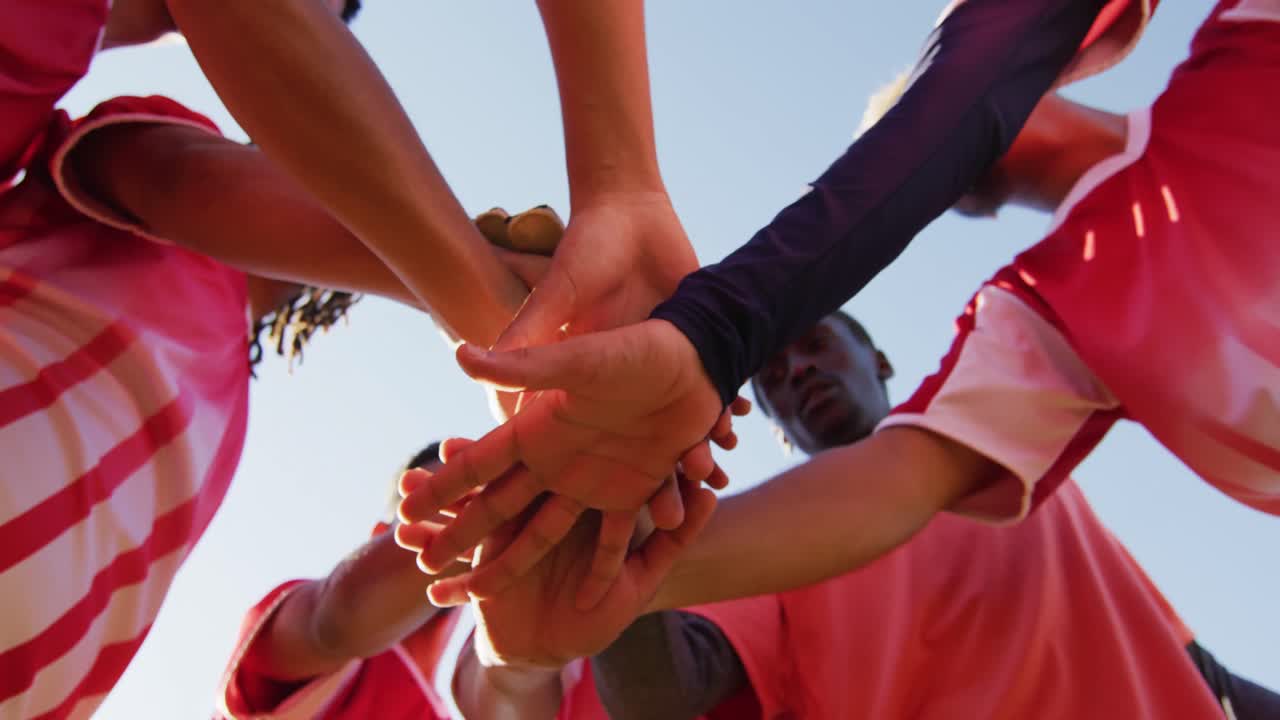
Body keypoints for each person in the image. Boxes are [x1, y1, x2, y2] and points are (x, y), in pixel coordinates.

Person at [400, 0, 1280, 613]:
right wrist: (617, 574)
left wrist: (716, 326)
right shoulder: (1058, 314)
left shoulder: (1252, 43)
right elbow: (903, 474)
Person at [0, 79, 558, 715]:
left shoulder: (231, 410)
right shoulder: (166, 147)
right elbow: (189, 182)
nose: (355, 191)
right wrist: (463, 267)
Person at [588, 311, 1280, 719]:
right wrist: (619, 501)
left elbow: (1192, 667)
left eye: (816, 344)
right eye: (771, 378)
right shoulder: (758, 549)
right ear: (775, 428)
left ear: (878, 358)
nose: (796, 371)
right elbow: (658, 695)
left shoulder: (1020, 466)